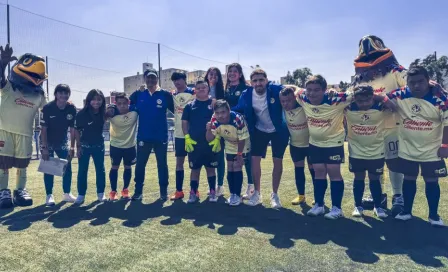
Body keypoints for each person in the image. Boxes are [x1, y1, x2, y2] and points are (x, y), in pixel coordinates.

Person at [296, 75, 393, 219]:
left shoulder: (337, 100)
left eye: (317, 90)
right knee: (319, 173)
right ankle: (319, 205)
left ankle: (337, 208)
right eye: (309, 90)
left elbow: (361, 95)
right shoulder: (303, 98)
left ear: (324, 90)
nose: (312, 93)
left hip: (334, 143)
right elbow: (293, 89)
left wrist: (381, 98)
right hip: (315, 144)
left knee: (334, 173)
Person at [351, 35, 407, 214]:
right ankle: (379, 196)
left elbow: (412, 88)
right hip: (370, 130)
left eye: (373, 56)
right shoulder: (360, 78)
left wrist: (387, 97)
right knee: (374, 164)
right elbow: (350, 95)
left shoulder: (396, 71)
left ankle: (398, 195)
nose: (370, 61)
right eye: (366, 57)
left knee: (394, 163)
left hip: (393, 126)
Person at [388, 66, 448, 226]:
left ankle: (434, 216)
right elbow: (382, 98)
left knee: (431, 180)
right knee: (409, 178)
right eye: (412, 82)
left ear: (428, 81)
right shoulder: (400, 94)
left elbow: (447, 122)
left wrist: (445, 144)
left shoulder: (439, 98)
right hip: (408, 149)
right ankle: (406, 211)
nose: (416, 86)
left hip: (432, 150)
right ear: (406, 82)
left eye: (420, 81)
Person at [0, 44, 47, 208]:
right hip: (3, 131)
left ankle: (19, 190)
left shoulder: (39, 95)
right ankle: (2, 191)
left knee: (22, 164)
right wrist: (2, 63)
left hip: (25, 134)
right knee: (2, 163)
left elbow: (48, 112)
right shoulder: (8, 88)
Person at [233, 68, 289, 208]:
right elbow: (237, 109)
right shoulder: (246, 94)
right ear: (251, 83)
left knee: (277, 161)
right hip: (258, 130)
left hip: (278, 130)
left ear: (266, 80)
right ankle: (257, 193)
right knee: (254, 160)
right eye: (255, 81)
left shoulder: (275, 89)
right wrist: (219, 115)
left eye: (261, 80)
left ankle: (274, 194)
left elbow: (292, 90)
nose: (258, 83)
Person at [130, 68, 174, 201]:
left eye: (153, 77)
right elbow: (124, 105)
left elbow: (177, 110)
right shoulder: (138, 94)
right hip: (143, 136)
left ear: (157, 79)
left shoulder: (165, 95)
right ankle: (138, 191)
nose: (151, 80)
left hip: (161, 137)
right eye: (148, 78)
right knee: (140, 164)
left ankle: (163, 192)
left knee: (162, 164)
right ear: (144, 79)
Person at [345, 84, 388, 218]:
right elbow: (336, 98)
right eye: (360, 101)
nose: (364, 104)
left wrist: (379, 97)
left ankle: (378, 207)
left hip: (376, 151)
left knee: (374, 178)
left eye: (367, 100)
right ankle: (358, 206)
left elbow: (395, 106)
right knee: (359, 178)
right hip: (356, 151)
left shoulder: (380, 106)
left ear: (373, 98)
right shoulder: (348, 107)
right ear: (355, 99)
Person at [206, 100, 250, 206]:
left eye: (223, 112)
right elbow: (209, 139)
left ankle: (238, 195)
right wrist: (208, 130)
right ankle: (232, 194)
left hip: (242, 143)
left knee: (237, 166)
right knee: (230, 167)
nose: (220, 116)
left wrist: (239, 155)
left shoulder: (237, 119)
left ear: (229, 111)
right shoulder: (214, 121)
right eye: (217, 113)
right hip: (229, 144)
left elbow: (242, 139)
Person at [182, 80, 219, 203]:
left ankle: (213, 191)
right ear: (195, 90)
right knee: (195, 169)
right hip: (195, 144)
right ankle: (193, 192)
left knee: (210, 168)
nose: (201, 89)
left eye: (204, 87)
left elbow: (220, 119)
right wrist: (187, 137)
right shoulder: (189, 105)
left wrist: (218, 137)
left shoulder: (214, 104)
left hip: (210, 143)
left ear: (208, 89)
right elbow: (184, 123)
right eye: (198, 88)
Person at [40, 84, 77, 206]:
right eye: (61, 93)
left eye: (66, 93)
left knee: (67, 166)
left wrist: (72, 147)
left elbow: (72, 129)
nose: (64, 95)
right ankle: (49, 195)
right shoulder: (47, 108)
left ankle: (67, 194)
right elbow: (43, 129)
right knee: (49, 168)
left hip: (62, 142)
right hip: (47, 142)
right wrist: (44, 147)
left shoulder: (71, 108)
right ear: (56, 94)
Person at [279, 86, 314, 205]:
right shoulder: (282, 110)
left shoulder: (303, 106)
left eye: (288, 100)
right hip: (295, 146)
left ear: (295, 98)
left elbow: (303, 90)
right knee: (299, 170)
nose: (285, 103)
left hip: (311, 145)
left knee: (314, 171)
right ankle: (301, 195)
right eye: (283, 101)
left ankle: (318, 196)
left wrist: (295, 89)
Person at [225, 63, 253, 199]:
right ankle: (235, 189)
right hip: (229, 129)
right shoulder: (227, 89)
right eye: (230, 71)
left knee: (246, 158)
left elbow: (244, 107)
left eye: (235, 71)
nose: (232, 73)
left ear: (240, 74)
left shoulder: (246, 88)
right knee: (232, 159)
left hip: (243, 127)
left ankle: (251, 187)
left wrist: (228, 112)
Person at [74, 89, 107, 204]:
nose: (96, 102)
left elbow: (115, 110)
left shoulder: (104, 112)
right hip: (84, 147)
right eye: (93, 99)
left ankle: (101, 193)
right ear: (89, 100)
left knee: (100, 169)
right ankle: (81, 194)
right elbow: (76, 131)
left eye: (99, 99)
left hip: (99, 146)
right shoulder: (82, 114)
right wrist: (78, 147)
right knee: (82, 170)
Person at [106, 93, 138, 201]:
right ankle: (113, 192)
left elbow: (138, 100)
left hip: (130, 146)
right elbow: (101, 114)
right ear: (116, 104)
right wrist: (110, 107)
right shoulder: (111, 113)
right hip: (115, 146)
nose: (122, 106)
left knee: (128, 167)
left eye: (125, 103)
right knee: (114, 167)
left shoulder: (134, 112)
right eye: (119, 104)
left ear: (128, 103)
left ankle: (125, 190)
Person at [169, 72, 195, 201]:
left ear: (184, 80)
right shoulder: (173, 95)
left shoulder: (193, 92)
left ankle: (193, 190)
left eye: (178, 79)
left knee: (194, 164)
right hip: (179, 135)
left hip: (193, 134)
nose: (177, 82)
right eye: (174, 81)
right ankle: (179, 191)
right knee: (179, 163)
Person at [205, 67, 226, 196]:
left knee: (220, 156)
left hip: (220, 128)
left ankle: (220, 185)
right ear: (207, 76)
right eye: (210, 74)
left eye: (216, 75)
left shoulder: (222, 92)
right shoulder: (201, 90)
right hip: (206, 128)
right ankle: (212, 186)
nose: (213, 76)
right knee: (210, 157)